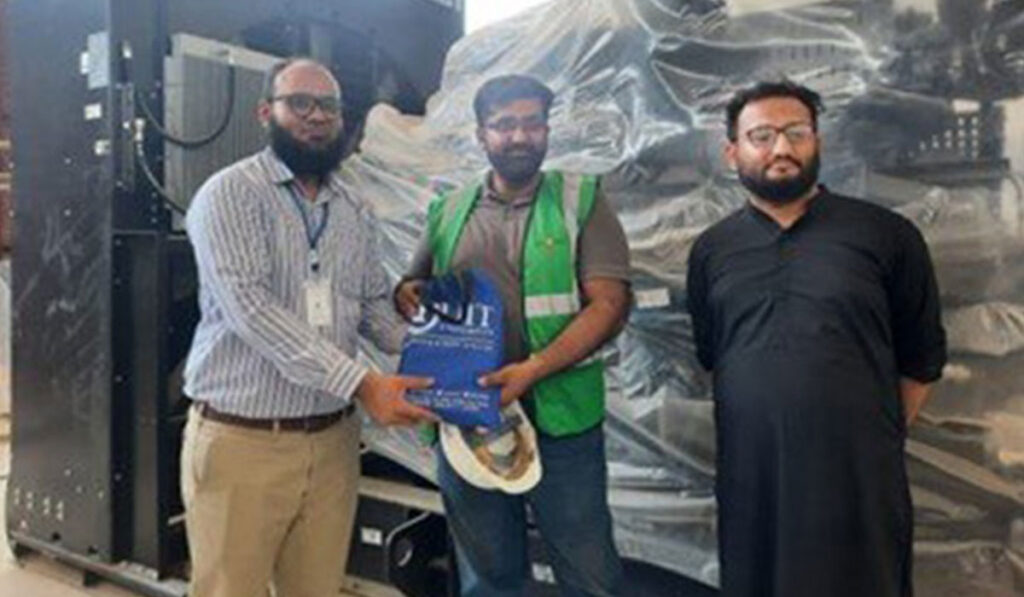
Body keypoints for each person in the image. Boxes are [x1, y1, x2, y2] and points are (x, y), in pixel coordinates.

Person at [181, 57, 435, 597]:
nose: (316, 116)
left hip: (333, 442)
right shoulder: (231, 194)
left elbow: (370, 305)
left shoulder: (353, 208)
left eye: (328, 106)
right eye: (299, 103)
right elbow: (253, 310)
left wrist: (439, 353)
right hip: (245, 443)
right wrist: (363, 383)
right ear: (265, 113)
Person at [686, 80, 947, 597]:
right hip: (752, 474)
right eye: (762, 136)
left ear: (818, 142)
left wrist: (867, 433)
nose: (781, 148)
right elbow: (715, 355)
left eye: (796, 133)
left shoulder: (886, 235)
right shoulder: (713, 250)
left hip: (858, 475)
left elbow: (921, 359)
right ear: (733, 152)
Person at [395, 74, 630, 596]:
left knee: (588, 573)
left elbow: (610, 306)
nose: (520, 136)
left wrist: (533, 370)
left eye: (532, 124)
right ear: (482, 134)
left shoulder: (581, 200)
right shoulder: (449, 209)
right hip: (467, 416)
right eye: (504, 125)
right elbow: (413, 283)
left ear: (547, 130)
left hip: (561, 418)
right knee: (488, 577)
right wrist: (409, 294)